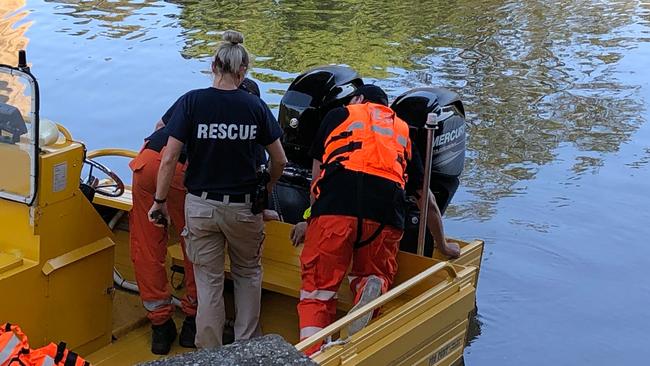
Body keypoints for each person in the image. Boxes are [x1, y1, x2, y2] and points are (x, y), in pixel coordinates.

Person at [290, 85, 460, 354]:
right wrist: (443, 244)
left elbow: (317, 182)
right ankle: (371, 287)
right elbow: (424, 198)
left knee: (317, 291)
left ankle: (313, 354)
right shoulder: (401, 130)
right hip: (385, 215)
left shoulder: (338, 115)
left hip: (336, 209)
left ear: (357, 100)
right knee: (375, 272)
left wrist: (309, 219)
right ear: (387, 108)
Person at [148, 30, 287, 349]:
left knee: (209, 283)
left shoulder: (192, 101)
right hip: (243, 208)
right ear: (244, 71)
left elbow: (168, 157)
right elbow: (279, 159)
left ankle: (208, 353)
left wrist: (160, 201)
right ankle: (246, 347)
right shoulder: (255, 106)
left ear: (213, 65)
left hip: (200, 207)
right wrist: (267, 185)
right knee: (248, 275)